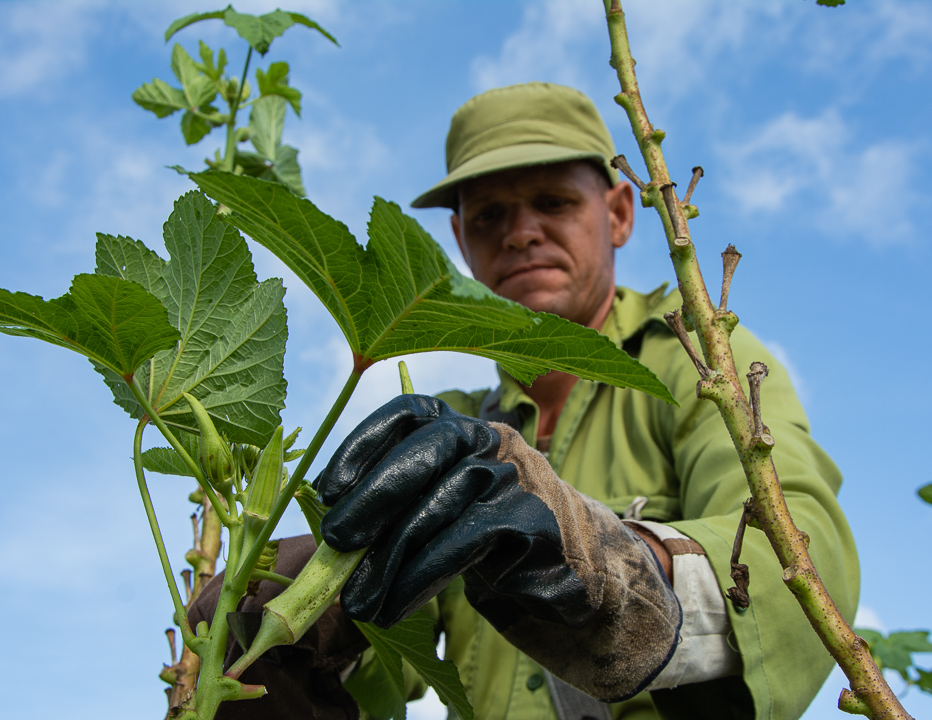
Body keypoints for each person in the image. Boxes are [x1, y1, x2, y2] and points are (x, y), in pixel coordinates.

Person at [195, 82, 859, 720]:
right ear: (460, 241)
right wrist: (302, 616)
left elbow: (800, 553)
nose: (521, 233)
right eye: (489, 216)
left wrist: (615, 567)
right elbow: (398, 667)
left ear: (620, 213)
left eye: (554, 202)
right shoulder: (454, 424)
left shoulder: (697, 360)